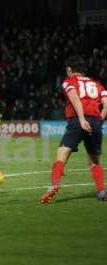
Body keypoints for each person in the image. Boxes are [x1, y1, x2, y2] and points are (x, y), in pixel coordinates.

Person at [41, 55, 107, 204]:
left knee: (62, 154)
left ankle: (54, 185)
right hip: (95, 121)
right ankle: (101, 191)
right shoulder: (97, 84)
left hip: (78, 120)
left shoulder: (69, 82)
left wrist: (82, 119)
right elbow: (106, 103)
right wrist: (99, 121)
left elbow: (75, 99)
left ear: (69, 69)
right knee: (94, 160)